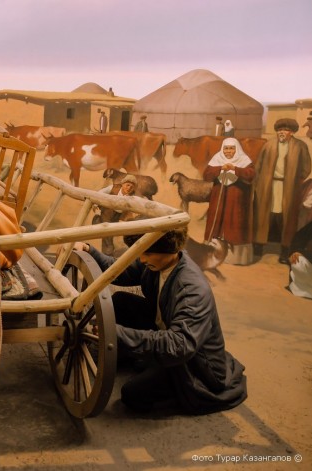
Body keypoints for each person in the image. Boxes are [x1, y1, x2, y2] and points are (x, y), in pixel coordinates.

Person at [74, 227, 248, 415]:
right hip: (166, 329)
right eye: (141, 252)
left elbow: (179, 346)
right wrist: (89, 250)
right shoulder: (158, 260)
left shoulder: (192, 290)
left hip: (193, 364)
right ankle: (143, 360)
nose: (142, 259)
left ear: (172, 250)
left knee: (132, 394)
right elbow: (119, 270)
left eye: (147, 254)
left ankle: (169, 382)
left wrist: (117, 333)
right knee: (121, 301)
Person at [253, 118, 312, 263]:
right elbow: (259, 165)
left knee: (288, 218)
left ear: (292, 132)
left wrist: (295, 182)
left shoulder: (300, 146)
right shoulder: (269, 145)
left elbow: (306, 168)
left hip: (289, 188)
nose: (282, 132)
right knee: (264, 215)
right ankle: (258, 247)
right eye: (279, 130)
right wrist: (260, 183)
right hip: (268, 186)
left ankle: (285, 251)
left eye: (285, 130)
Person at [203, 138, 255, 265]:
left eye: (231, 148)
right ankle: (214, 252)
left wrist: (235, 168)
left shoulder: (244, 160)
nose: (228, 151)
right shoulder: (217, 158)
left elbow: (251, 174)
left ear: (237, 150)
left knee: (234, 222)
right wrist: (220, 168)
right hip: (219, 197)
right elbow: (207, 175)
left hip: (236, 198)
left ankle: (234, 257)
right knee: (217, 220)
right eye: (226, 148)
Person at [93, 174, 138, 255]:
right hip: (107, 212)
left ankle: (108, 252)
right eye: (127, 185)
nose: (129, 188)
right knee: (107, 233)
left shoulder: (132, 196)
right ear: (123, 184)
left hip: (118, 216)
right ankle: (108, 253)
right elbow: (98, 194)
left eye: (131, 187)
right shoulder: (113, 188)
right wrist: (95, 205)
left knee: (111, 233)